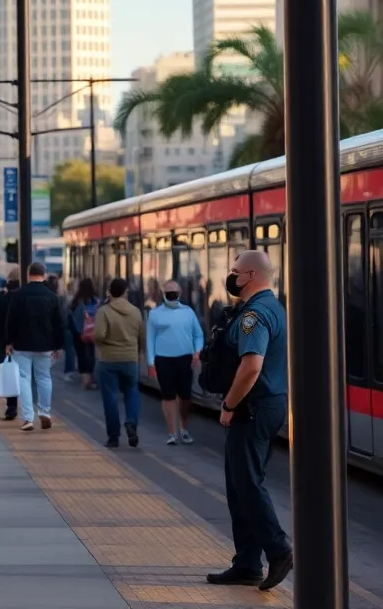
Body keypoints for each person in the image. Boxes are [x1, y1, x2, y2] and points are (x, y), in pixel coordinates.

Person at [206, 250, 292, 592]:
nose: (231, 276)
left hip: (252, 406)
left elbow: (252, 366)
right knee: (240, 483)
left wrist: (229, 403)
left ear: (251, 276)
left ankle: (279, 549)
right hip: (265, 405)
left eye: (235, 272)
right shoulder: (272, 306)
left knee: (248, 484)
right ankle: (246, 563)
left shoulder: (254, 315)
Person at [5, 262, 65, 431]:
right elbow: (59, 323)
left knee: (24, 379)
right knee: (44, 377)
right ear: (44, 275)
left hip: (22, 345)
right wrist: (59, 345)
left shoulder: (18, 295)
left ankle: (27, 418)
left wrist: (8, 341)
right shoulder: (52, 297)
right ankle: (45, 412)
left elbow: (11, 321)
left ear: (28, 274)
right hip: (45, 345)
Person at [146, 280, 204, 445]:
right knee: (168, 396)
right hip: (163, 360)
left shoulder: (188, 313)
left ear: (180, 293)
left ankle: (183, 427)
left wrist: (197, 352)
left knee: (185, 397)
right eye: (168, 290)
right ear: (163, 293)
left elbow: (198, 335)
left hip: (185, 359)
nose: (171, 293)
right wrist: (151, 363)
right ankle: (172, 433)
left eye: (174, 290)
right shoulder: (155, 314)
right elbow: (150, 340)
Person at [93, 278, 144, 448]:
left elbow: (99, 335)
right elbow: (141, 337)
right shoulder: (136, 312)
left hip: (108, 360)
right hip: (130, 359)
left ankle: (113, 436)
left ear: (110, 292)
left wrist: (101, 343)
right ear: (125, 292)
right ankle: (131, 422)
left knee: (110, 397)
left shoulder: (104, 311)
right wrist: (139, 353)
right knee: (132, 393)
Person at [0, 269, 20, 421]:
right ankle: (16, 406)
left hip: (0, 340)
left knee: (2, 370)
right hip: (19, 341)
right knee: (20, 374)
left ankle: (11, 404)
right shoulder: (22, 298)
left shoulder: (1, 298)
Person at [68, 278, 100, 390]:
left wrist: (78, 331)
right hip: (93, 331)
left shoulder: (77, 301)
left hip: (79, 333)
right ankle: (91, 376)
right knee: (91, 353)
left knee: (81, 354)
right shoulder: (96, 301)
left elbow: (72, 316)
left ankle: (85, 379)